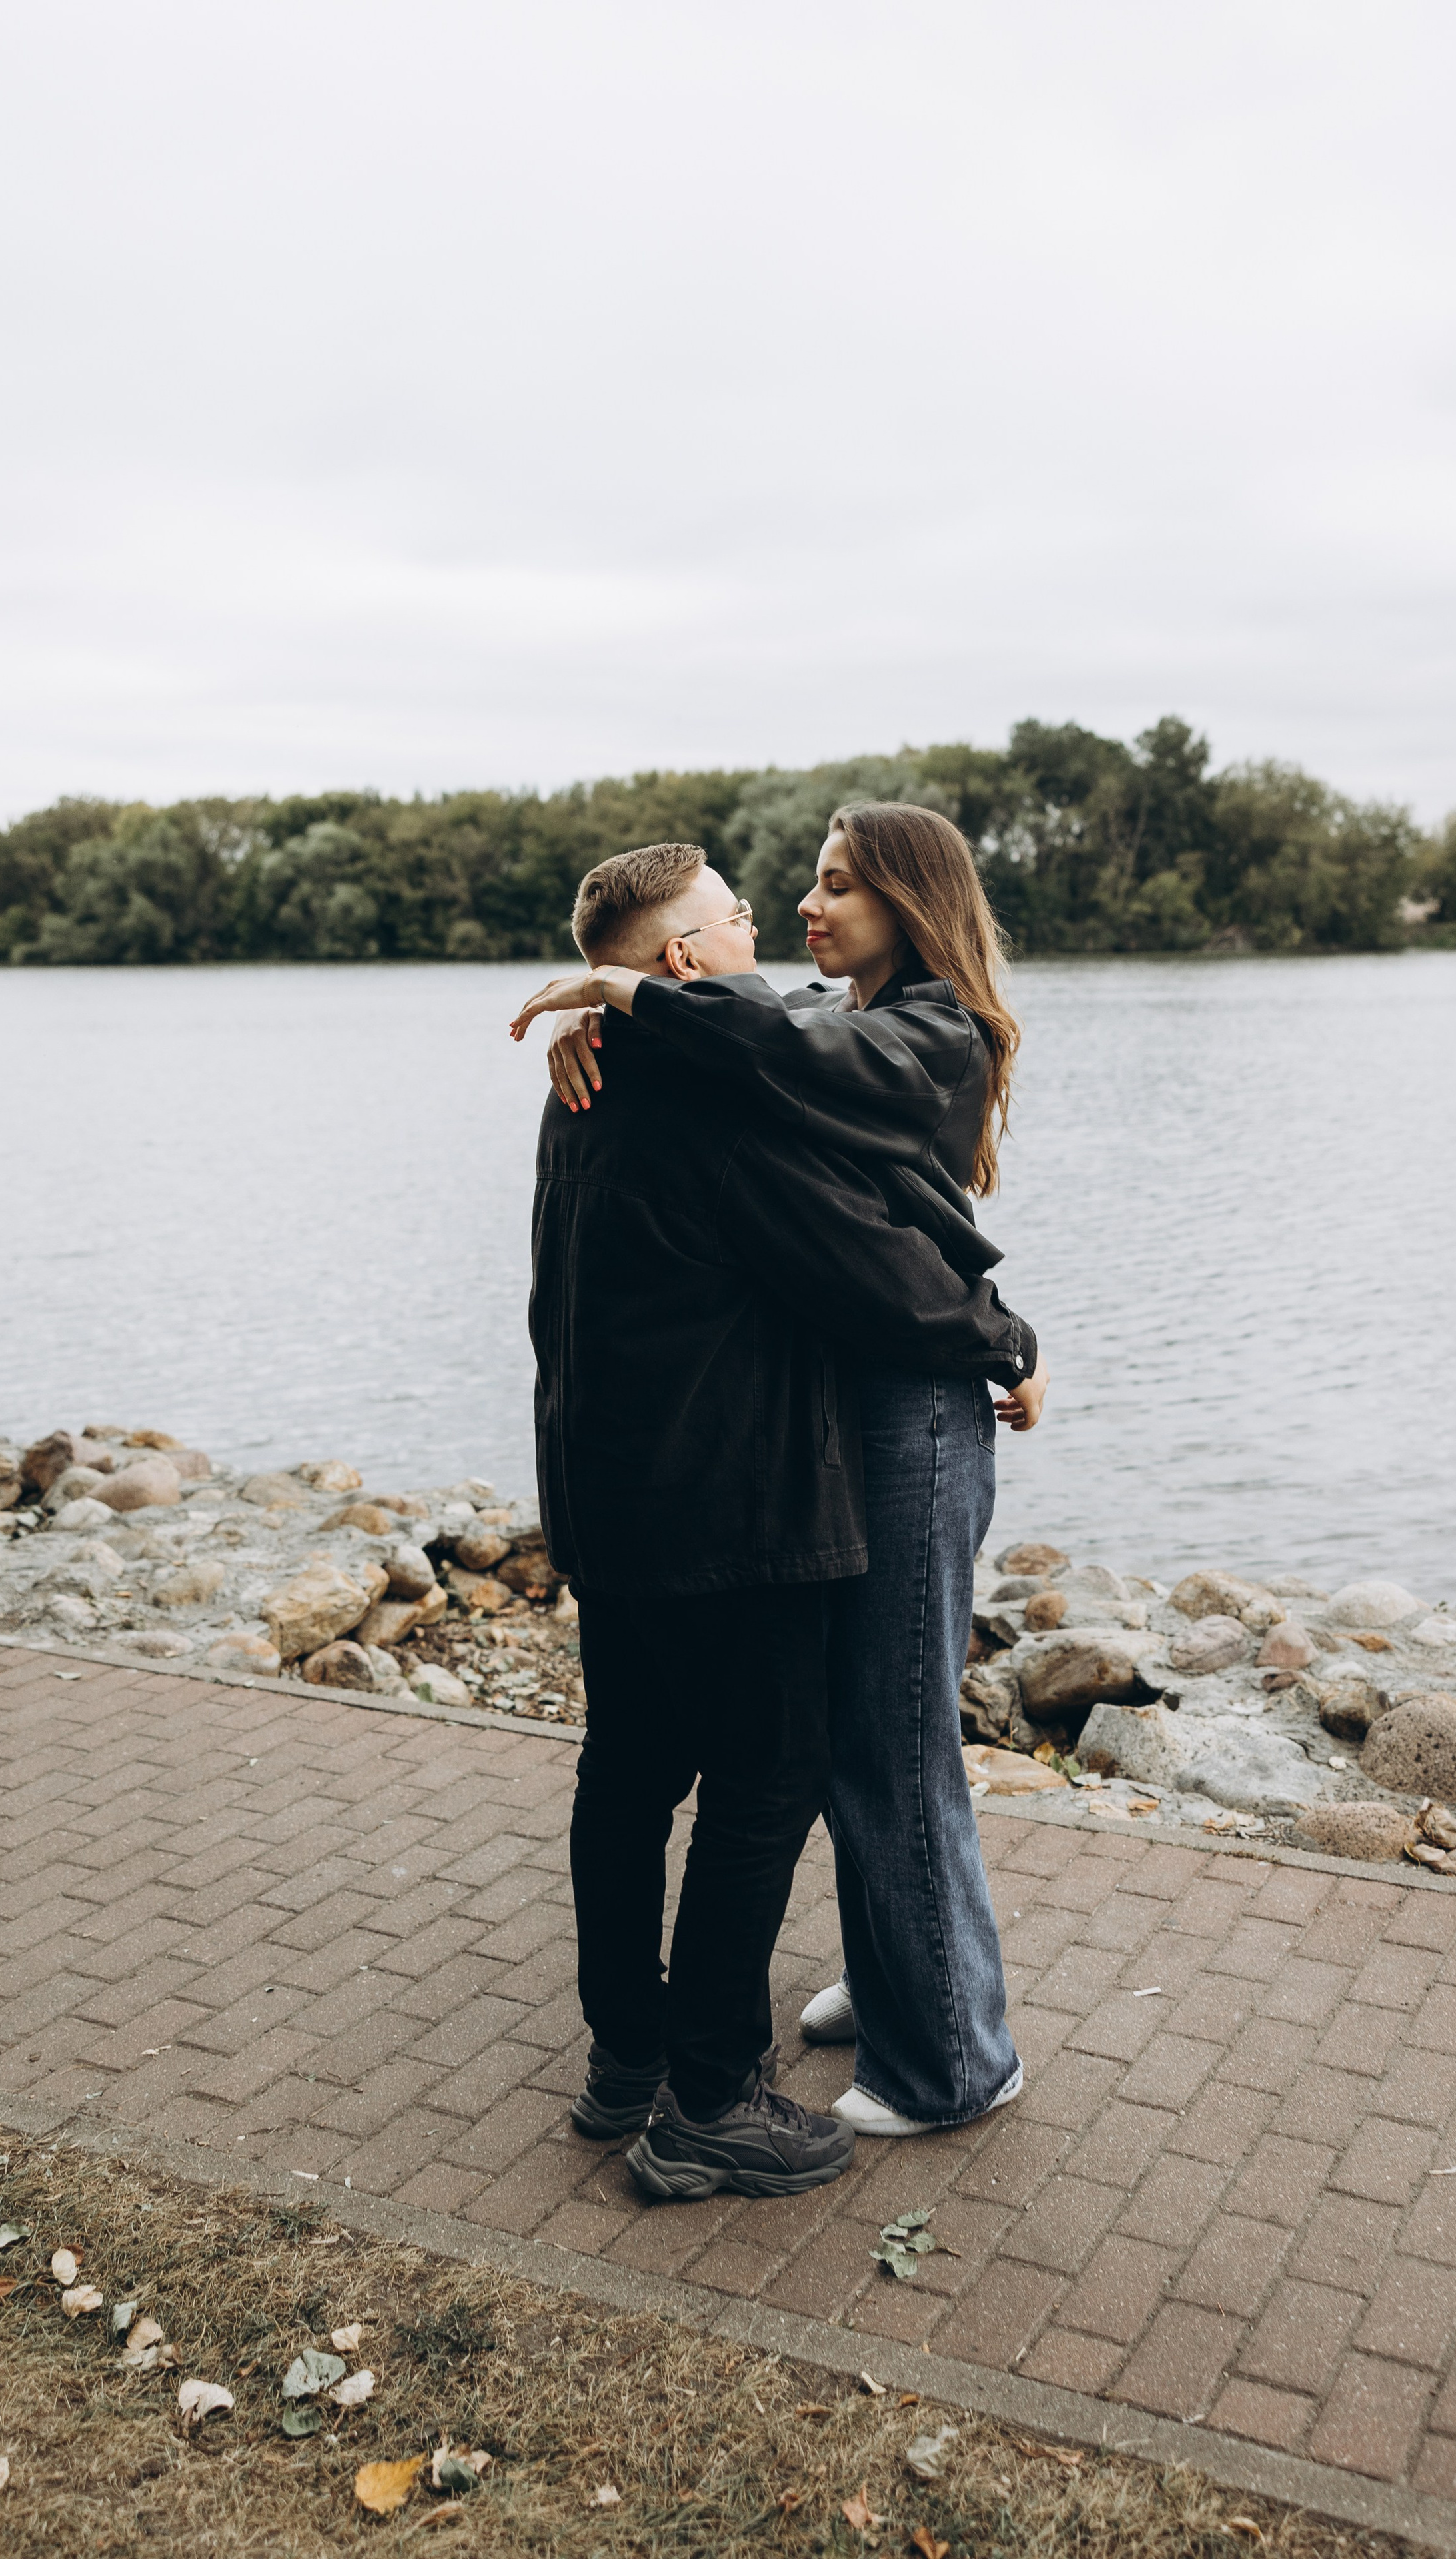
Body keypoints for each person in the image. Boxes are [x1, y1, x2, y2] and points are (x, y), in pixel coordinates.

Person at [511, 806, 1047, 2138]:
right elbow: (786, 1101)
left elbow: (857, 1237)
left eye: (831, 889)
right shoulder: (741, 1042)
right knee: (838, 1742)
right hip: (778, 1451)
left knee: (876, 1735)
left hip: (890, 1401)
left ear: (908, 909)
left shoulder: (913, 1032)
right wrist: (624, 1012)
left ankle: (924, 2047)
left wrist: (627, 999)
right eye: (772, 900)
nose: (796, 914)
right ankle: (837, 2012)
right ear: (699, 954)